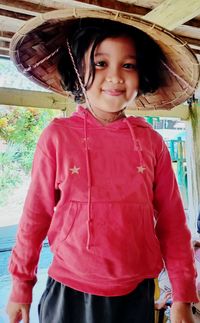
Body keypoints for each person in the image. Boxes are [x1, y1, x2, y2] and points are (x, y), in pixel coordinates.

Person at [6, 8, 199, 323]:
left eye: (128, 65)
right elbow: (34, 216)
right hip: (69, 291)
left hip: (135, 294)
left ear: (143, 74)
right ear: (77, 69)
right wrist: (20, 286)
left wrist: (182, 295)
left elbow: (173, 223)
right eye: (100, 62)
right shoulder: (57, 137)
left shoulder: (151, 143)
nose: (115, 76)